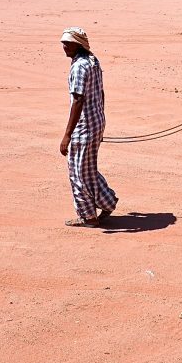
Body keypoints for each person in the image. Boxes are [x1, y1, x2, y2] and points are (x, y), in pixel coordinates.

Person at [59, 27, 118, 227]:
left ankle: (89, 216)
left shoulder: (79, 67)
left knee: (77, 171)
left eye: (68, 43)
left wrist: (67, 135)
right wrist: (100, 122)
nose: (64, 46)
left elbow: (78, 101)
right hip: (96, 123)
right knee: (88, 168)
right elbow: (101, 93)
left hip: (84, 127)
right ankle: (107, 202)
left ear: (79, 44)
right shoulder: (93, 62)